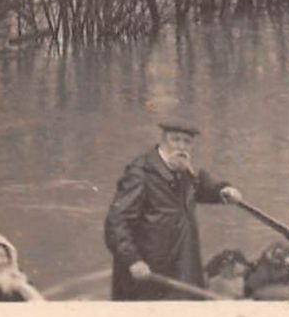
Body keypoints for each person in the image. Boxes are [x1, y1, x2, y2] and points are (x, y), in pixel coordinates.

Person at [103, 119, 244, 300]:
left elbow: (201, 186)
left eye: (187, 142)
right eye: (175, 140)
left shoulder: (184, 169)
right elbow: (116, 222)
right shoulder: (140, 172)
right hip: (150, 273)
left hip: (183, 265)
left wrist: (222, 190)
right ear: (163, 141)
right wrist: (132, 260)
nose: (181, 147)